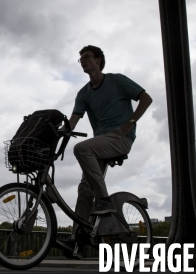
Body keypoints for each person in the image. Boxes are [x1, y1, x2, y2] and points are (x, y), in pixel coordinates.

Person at [65, 45, 153, 246]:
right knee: (85, 190)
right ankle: (77, 240)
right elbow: (72, 122)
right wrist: (56, 130)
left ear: (98, 60)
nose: (83, 61)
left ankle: (104, 200)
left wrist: (129, 123)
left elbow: (146, 99)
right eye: (81, 59)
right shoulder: (83, 93)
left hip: (120, 137)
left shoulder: (116, 80)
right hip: (101, 142)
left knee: (81, 148)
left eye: (87, 57)